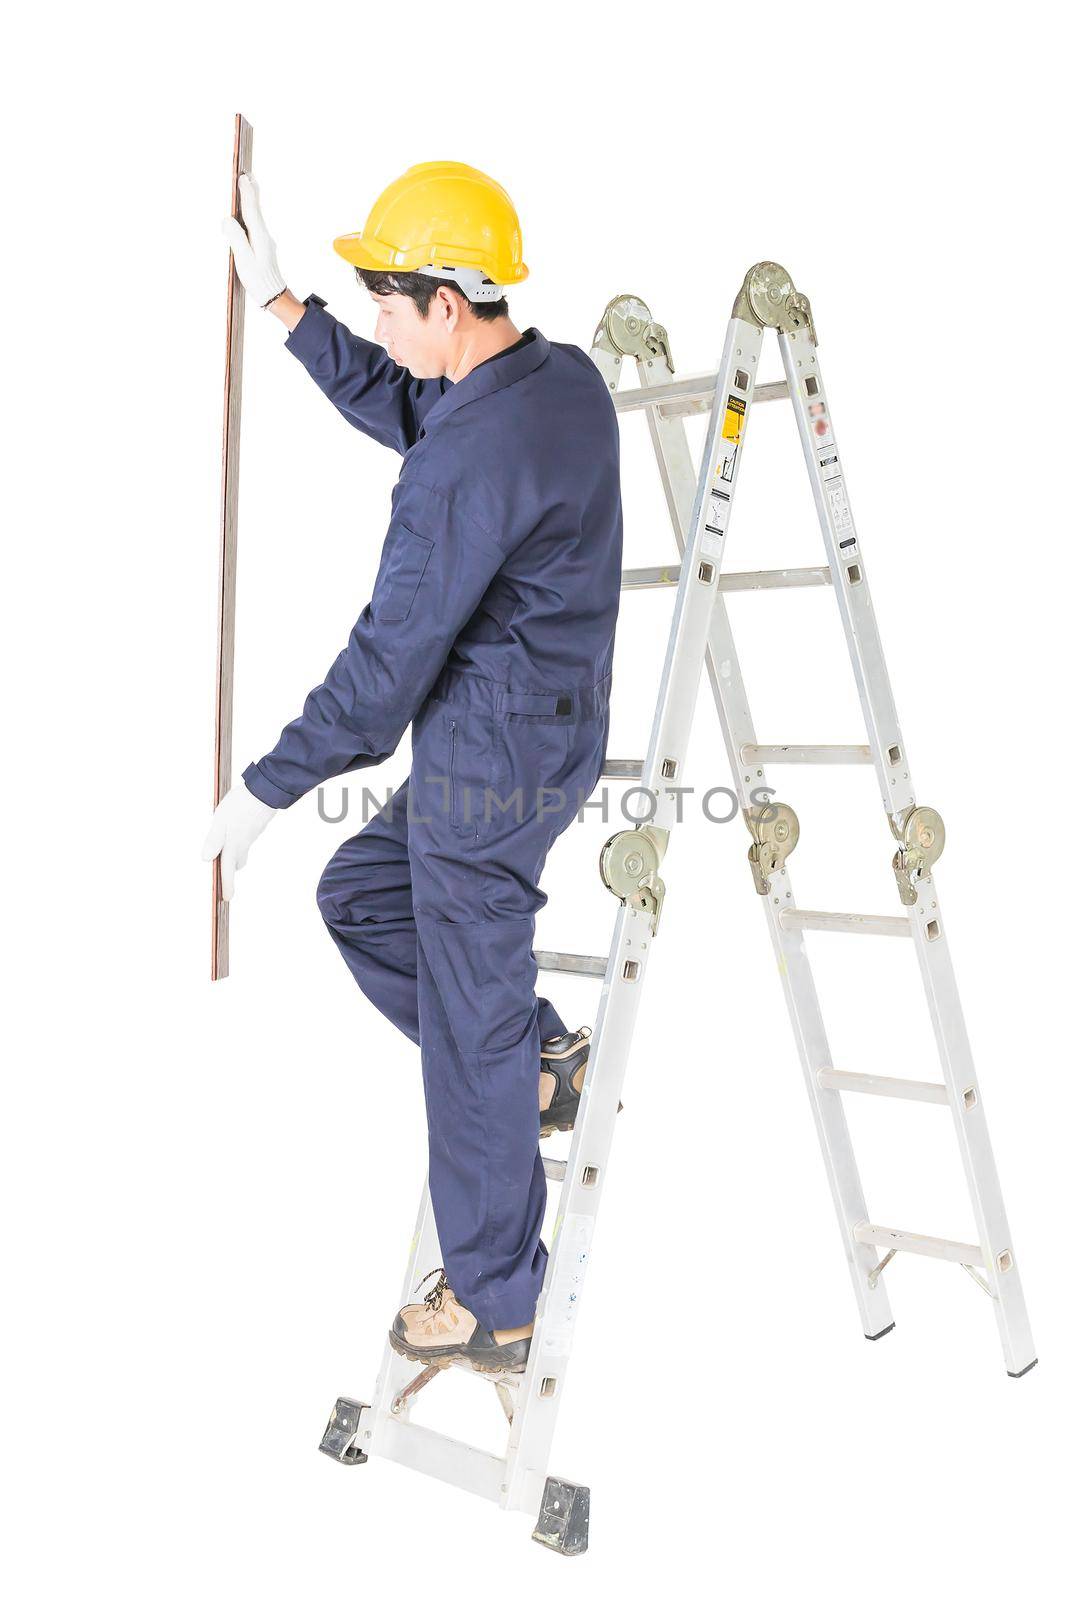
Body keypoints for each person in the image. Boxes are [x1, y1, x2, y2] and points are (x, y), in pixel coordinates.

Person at [204, 162, 623, 1375]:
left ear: (450, 301)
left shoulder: (464, 459)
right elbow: (408, 402)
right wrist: (288, 310)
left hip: (484, 767)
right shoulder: (554, 381)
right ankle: (540, 1055)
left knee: (470, 1024)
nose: (379, 321)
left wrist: (265, 789)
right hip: (546, 737)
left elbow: (383, 670)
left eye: (390, 301)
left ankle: (496, 1298)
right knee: (362, 899)